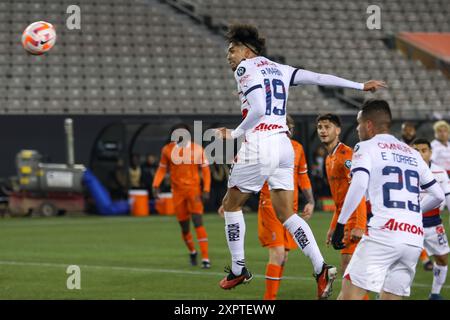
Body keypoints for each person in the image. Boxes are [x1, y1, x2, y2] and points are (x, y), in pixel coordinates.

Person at [215, 23, 386, 298]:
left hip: (261, 143)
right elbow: (319, 77)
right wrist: (359, 85)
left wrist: (234, 133)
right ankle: (320, 268)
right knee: (287, 213)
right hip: (284, 145)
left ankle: (238, 269)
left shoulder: (246, 68)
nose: (229, 56)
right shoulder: (279, 68)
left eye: (232, 49)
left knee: (230, 204)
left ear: (246, 51)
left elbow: (258, 108)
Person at [331, 99, 445, 300]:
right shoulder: (413, 153)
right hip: (413, 239)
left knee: (349, 296)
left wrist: (341, 223)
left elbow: (358, 185)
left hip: (384, 234)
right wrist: (415, 213)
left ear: (368, 125)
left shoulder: (365, 147)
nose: (357, 129)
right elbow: (437, 195)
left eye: (359, 123)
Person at [257, 115, 315, 300]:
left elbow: (303, 177)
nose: (287, 128)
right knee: (278, 253)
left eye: (289, 125)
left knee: (284, 256)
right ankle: (269, 300)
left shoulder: (297, 148)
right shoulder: (264, 146)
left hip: (291, 207)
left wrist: (311, 201)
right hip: (270, 204)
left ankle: (271, 295)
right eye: (284, 125)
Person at [316, 113, 367, 299]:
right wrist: (332, 227)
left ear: (338, 130)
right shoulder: (330, 158)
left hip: (355, 219)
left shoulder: (346, 155)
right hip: (344, 219)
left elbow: (359, 190)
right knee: (351, 272)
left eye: (327, 127)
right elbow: (339, 201)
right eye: (320, 127)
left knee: (350, 271)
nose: (322, 131)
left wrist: (360, 224)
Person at [152, 124, 212, 269]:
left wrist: (206, 189)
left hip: (193, 191)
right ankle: (192, 251)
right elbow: (161, 169)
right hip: (177, 192)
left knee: (198, 221)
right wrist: (155, 185)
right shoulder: (167, 150)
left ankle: (205, 258)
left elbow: (205, 171)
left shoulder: (197, 149)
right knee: (184, 227)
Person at [412, 138, 450, 300]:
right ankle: (383, 293)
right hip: (411, 224)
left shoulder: (440, 172)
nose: (420, 154)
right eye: (416, 150)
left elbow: (447, 195)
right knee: (401, 260)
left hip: (434, 223)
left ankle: (434, 294)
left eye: (424, 150)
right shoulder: (406, 170)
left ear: (430, 152)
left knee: (442, 258)